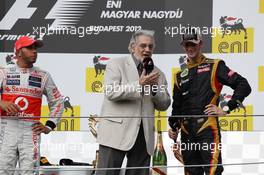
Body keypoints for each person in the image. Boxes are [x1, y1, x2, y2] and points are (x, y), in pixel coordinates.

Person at [168, 28, 251, 175]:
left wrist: (226, 108)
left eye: (193, 44)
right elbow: (177, 107)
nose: (190, 48)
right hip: (187, 132)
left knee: (213, 171)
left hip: (207, 128)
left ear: (201, 44)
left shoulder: (215, 66)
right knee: (191, 172)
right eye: (186, 45)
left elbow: (243, 85)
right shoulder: (179, 75)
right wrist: (174, 127)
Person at [97, 30, 171, 175]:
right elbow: (111, 92)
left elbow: (165, 104)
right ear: (132, 47)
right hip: (115, 134)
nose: (147, 50)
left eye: (150, 46)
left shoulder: (158, 73)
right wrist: (139, 84)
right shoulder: (116, 64)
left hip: (144, 136)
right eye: (143, 46)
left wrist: (154, 89)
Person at [0, 36, 64, 175]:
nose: (34, 51)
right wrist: (1, 102)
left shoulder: (43, 75)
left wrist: (49, 125)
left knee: (29, 172)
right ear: (18, 52)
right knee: (3, 170)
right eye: (29, 48)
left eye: (35, 48)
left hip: (31, 130)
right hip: (6, 128)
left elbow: (58, 101)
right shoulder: (4, 73)